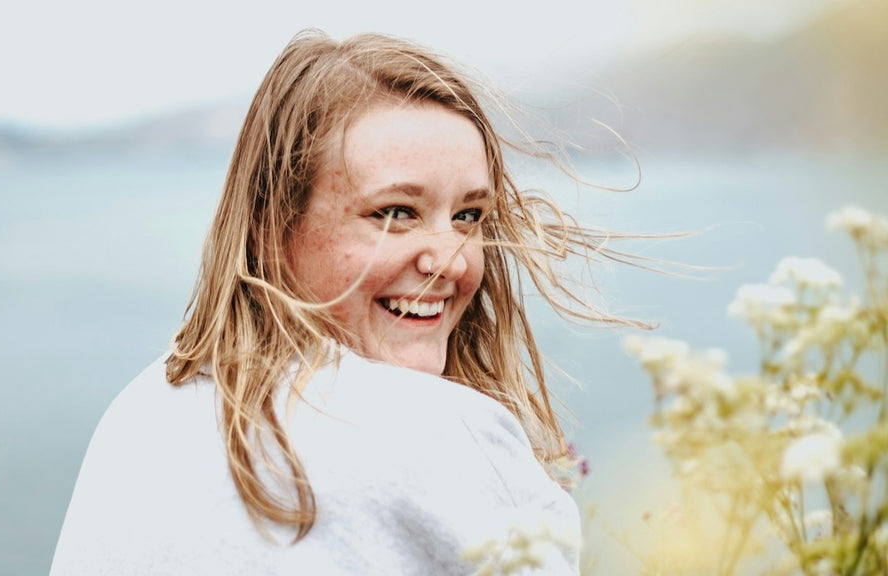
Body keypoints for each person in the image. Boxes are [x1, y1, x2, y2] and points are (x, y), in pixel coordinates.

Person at [50, 29, 641, 575]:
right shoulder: (442, 434)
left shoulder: (145, 406)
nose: (451, 260)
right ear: (272, 226)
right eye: (394, 214)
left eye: (468, 216)